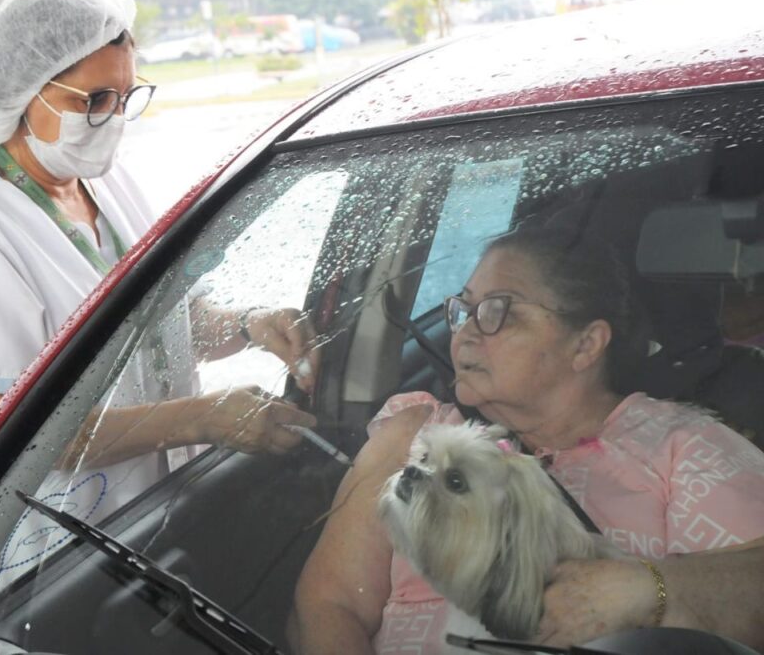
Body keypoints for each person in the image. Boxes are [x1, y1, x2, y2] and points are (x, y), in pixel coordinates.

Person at [0, 0, 317, 489]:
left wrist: (251, 326)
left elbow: (169, 323)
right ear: (25, 90)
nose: (115, 118)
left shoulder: (108, 184)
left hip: (146, 517)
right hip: (52, 550)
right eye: (95, 99)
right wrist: (203, 418)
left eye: (126, 96)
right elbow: (12, 436)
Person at [289, 228, 764, 654]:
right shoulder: (415, 434)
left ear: (585, 345)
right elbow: (327, 607)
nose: (465, 334)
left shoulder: (679, 446)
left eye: (499, 312)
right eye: (463, 310)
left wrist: (649, 588)